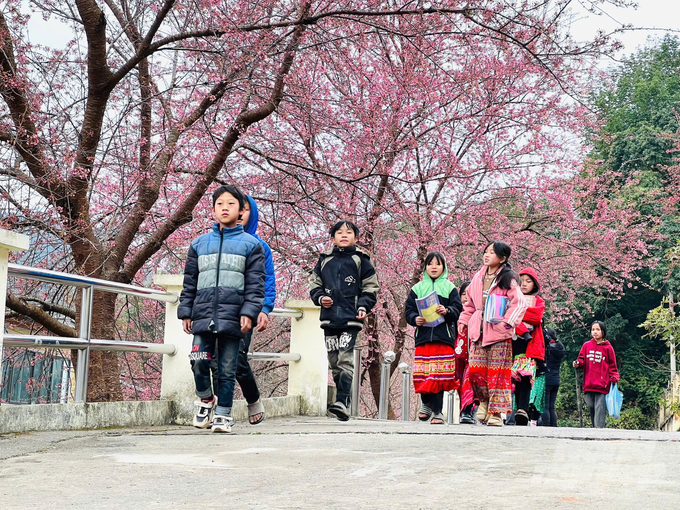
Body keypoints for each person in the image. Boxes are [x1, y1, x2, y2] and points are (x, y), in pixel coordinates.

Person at [178, 185, 266, 433]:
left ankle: (224, 414)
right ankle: (206, 399)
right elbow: (190, 282)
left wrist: (249, 312)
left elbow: (255, 285)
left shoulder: (251, 245)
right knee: (198, 360)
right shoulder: (199, 244)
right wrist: (186, 311)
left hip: (233, 316)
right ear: (213, 210)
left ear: (241, 211)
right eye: (220, 204)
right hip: (203, 314)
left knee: (227, 368)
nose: (225, 208)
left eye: (231, 204)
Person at [211, 195, 276, 425]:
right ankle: (220, 410)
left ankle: (253, 399)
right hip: (215, 310)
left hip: (245, 310)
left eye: (245, 209)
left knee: (236, 357)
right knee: (213, 360)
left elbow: (267, 282)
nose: (240, 213)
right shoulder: (212, 241)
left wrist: (265, 309)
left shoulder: (259, 246)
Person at [309, 220, 380, 421]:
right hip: (329, 320)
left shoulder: (361, 260)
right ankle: (343, 403)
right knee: (334, 361)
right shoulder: (324, 261)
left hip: (351, 319)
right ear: (332, 238)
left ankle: (342, 400)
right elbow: (315, 284)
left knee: (345, 359)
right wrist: (321, 298)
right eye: (339, 232)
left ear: (356, 238)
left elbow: (371, 287)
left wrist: (363, 306)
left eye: (349, 232)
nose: (344, 235)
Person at [458, 241, 528, 427]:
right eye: (486, 251)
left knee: (497, 374)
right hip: (477, 332)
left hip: (498, 332)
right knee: (476, 371)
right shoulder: (478, 276)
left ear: (502, 258)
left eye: (492, 252)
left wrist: (507, 323)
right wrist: (463, 321)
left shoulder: (508, 278)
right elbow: (470, 304)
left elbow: (519, 303)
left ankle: (496, 413)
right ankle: (484, 402)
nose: (487, 255)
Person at [405, 252, 463, 425]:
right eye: (430, 264)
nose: (434, 267)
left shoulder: (450, 287)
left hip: (442, 337)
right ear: (425, 267)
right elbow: (408, 311)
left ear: (444, 267)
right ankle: (426, 404)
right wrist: (415, 319)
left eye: (438, 264)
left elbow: (457, 309)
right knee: (424, 373)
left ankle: (438, 412)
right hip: (423, 338)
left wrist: (447, 311)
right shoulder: (417, 288)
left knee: (438, 375)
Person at [509, 267, 546, 426]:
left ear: (535, 284)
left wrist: (516, 312)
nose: (524, 284)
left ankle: (523, 409)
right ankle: (518, 410)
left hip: (529, 344)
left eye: (528, 281)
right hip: (512, 343)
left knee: (525, 375)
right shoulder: (510, 298)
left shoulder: (538, 301)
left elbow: (536, 317)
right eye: (521, 281)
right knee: (514, 378)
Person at [573, 321, 619, 428]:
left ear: (603, 332)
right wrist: (577, 363)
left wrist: (614, 377)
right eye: (593, 330)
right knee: (590, 405)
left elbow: (613, 365)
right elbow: (581, 359)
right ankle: (595, 429)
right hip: (589, 383)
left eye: (598, 330)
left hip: (602, 384)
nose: (595, 332)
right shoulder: (586, 346)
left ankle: (599, 431)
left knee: (599, 408)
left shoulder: (608, 348)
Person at [454, 281, 477, 424]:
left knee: (469, 379)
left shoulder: (478, 314)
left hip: (473, 354)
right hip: (457, 353)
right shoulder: (456, 312)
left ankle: (467, 411)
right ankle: (465, 409)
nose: (466, 298)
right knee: (459, 382)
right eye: (463, 294)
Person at [542, 328, 565, 427]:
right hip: (556, 379)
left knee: (545, 407)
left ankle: (546, 427)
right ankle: (554, 427)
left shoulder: (548, 348)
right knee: (552, 407)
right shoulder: (559, 347)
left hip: (547, 377)